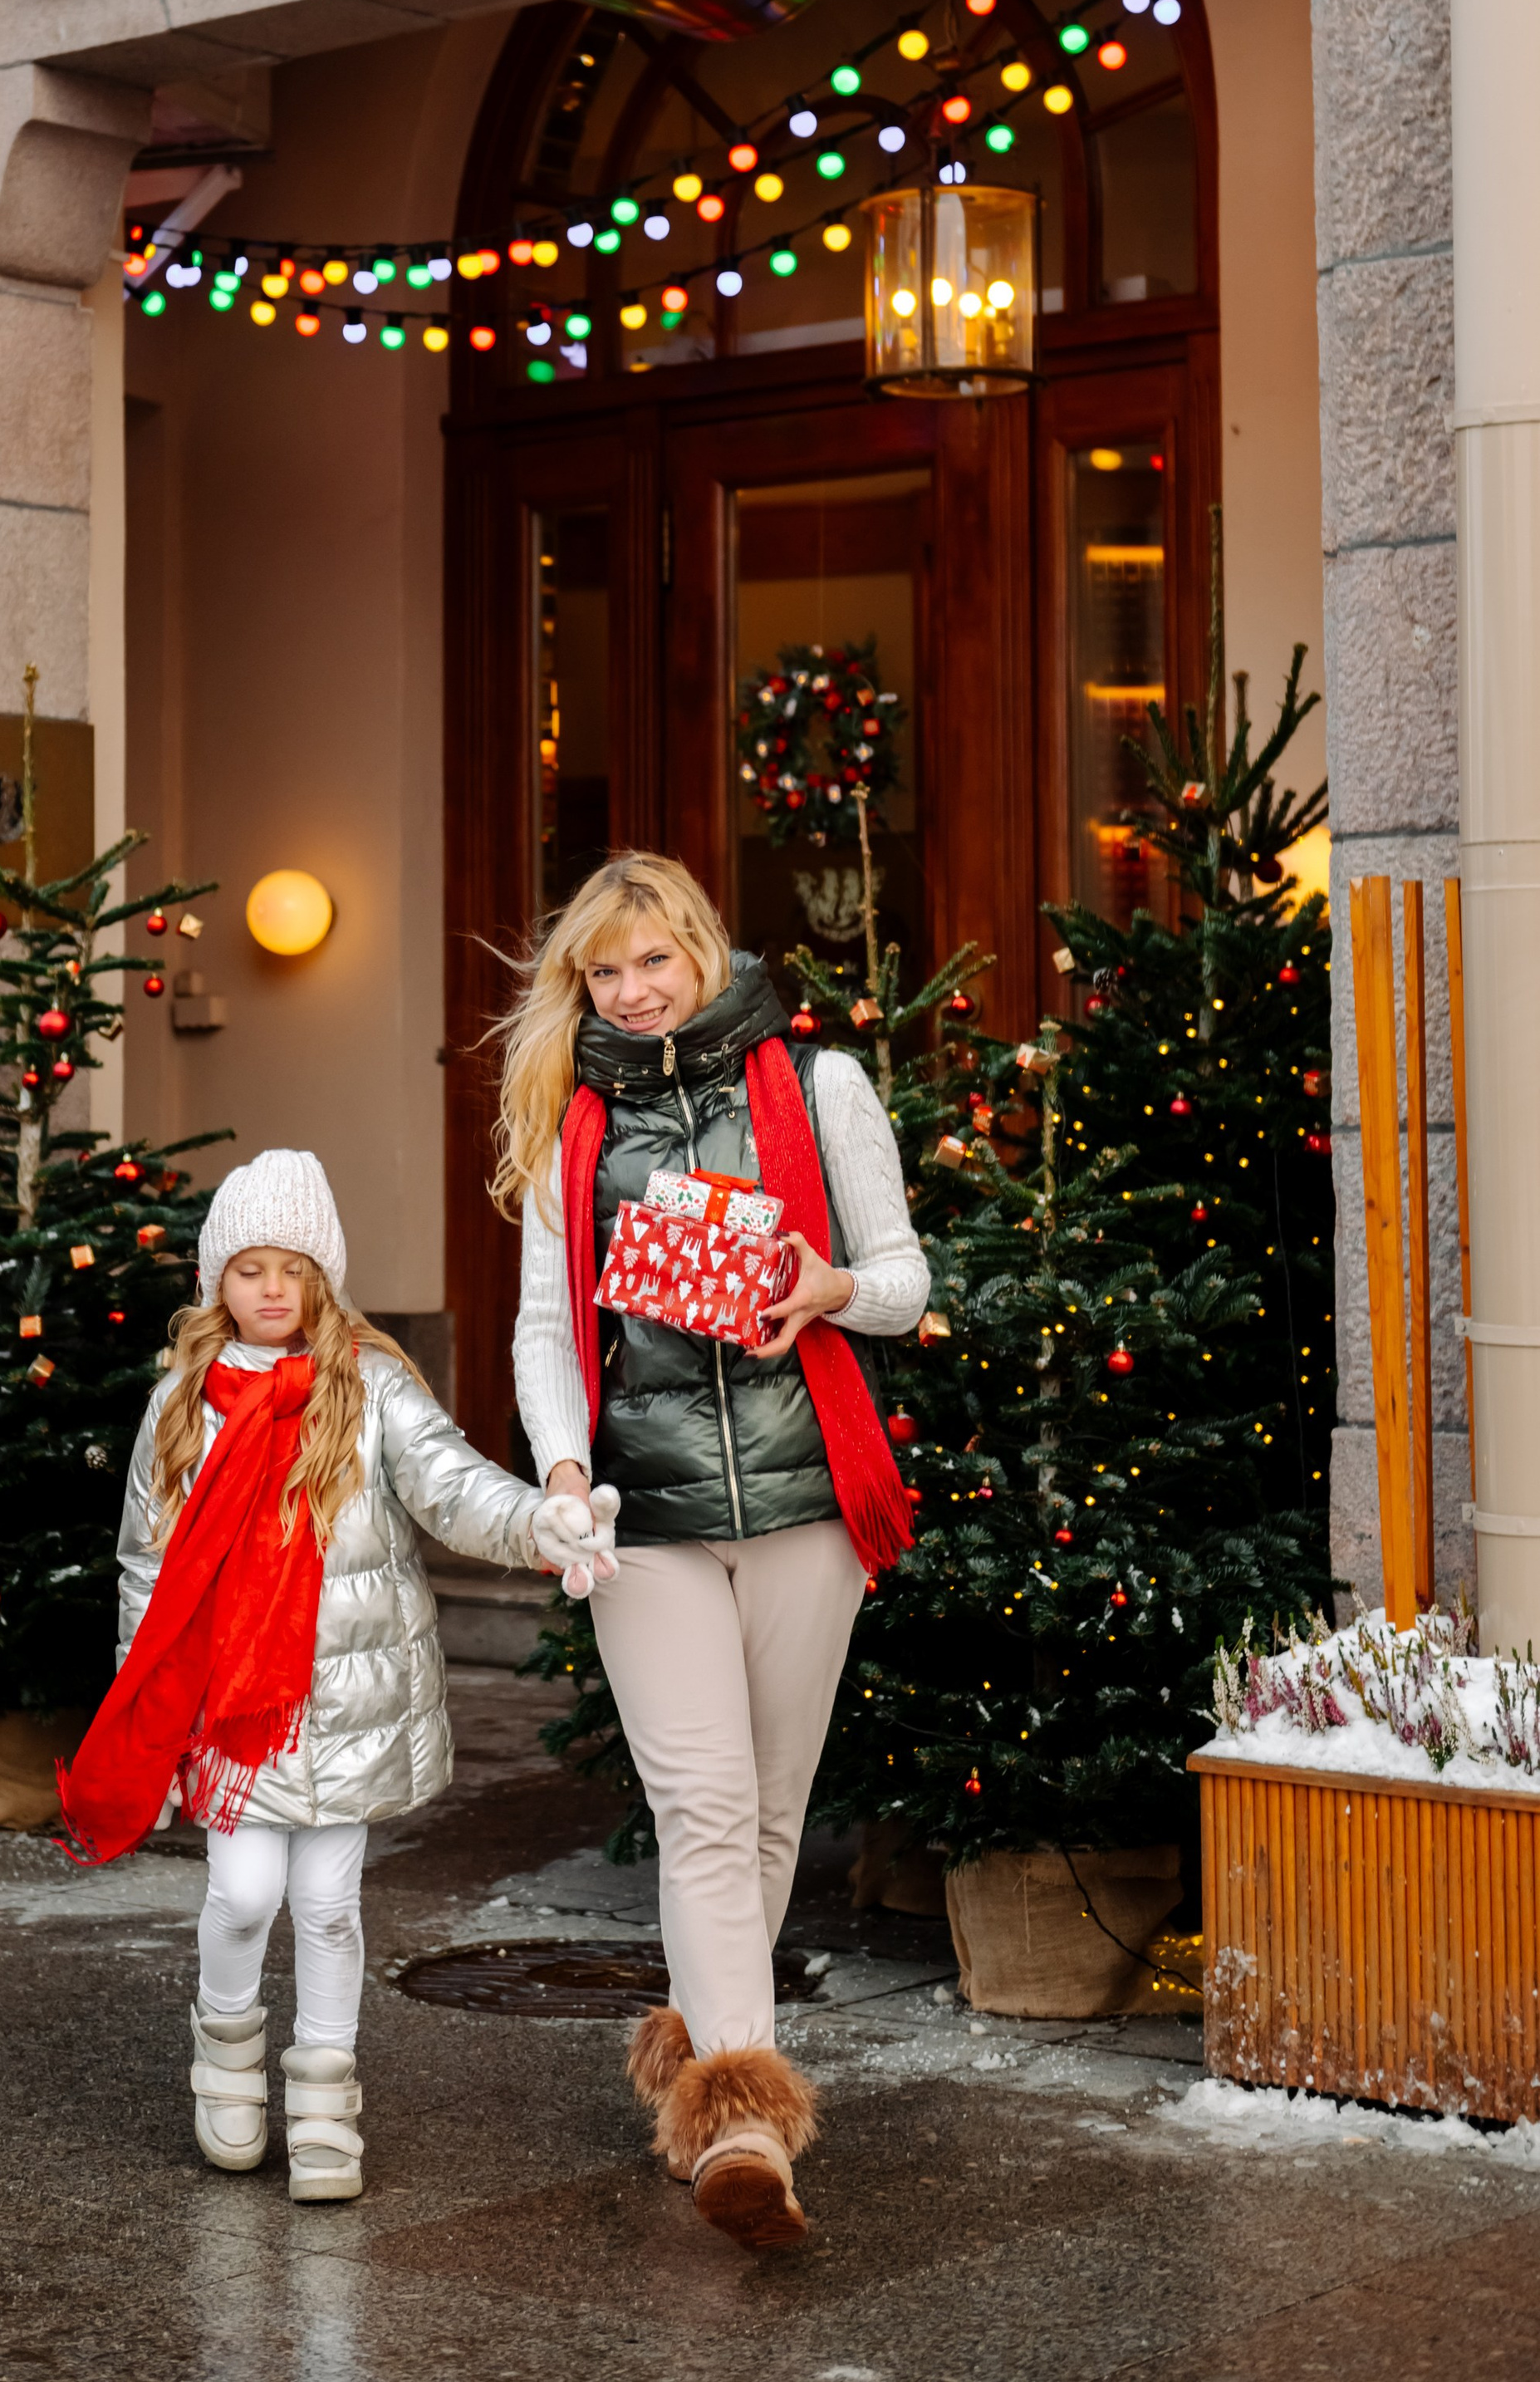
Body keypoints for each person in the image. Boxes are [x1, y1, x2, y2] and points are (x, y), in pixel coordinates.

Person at [497, 852, 927, 2250]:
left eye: (650, 962)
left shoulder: (819, 1088)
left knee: (766, 1816)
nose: (628, 991)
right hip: (649, 1521)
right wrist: (563, 1465)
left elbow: (909, 1283)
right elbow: (547, 1331)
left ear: (701, 947)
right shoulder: (576, 1120)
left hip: (809, 1508)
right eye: (603, 973)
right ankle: (744, 2131)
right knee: (698, 1806)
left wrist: (830, 1288)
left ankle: (707, 2061)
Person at [57, 1148, 612, 2203]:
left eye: (294, 1267)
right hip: (231, 1709)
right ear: (215, 1281)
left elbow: (452, 1489)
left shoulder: (371, 1386)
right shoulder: (184, 1402)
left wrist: (542, 1520)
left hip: (349, 1704)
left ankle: (323, 2098)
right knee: (242, 1892)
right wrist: (145, 1694)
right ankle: (223, 2051)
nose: (272, 1289)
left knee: (326, 1903)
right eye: (249, 1267)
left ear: (325, 1278)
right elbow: (145, 1559)